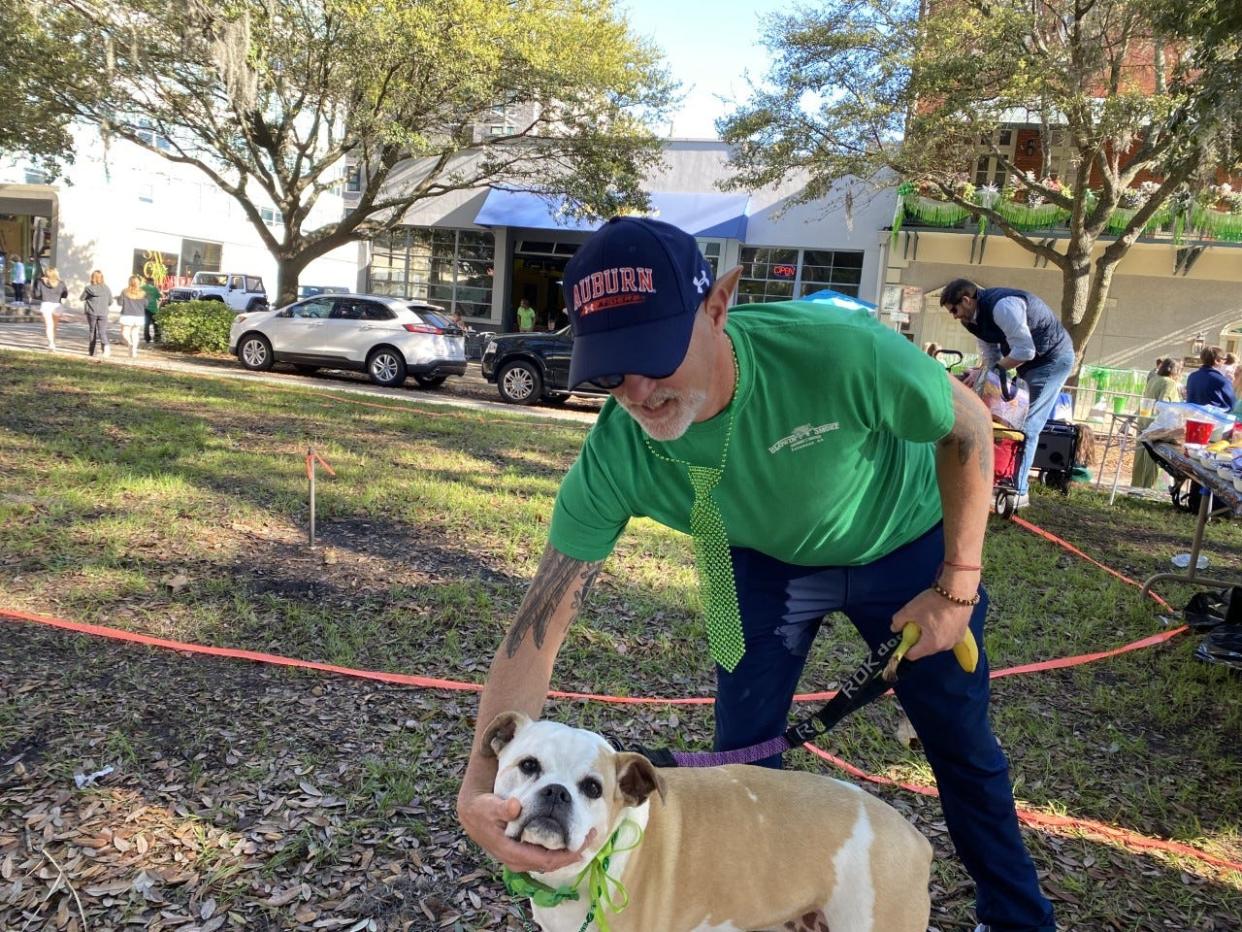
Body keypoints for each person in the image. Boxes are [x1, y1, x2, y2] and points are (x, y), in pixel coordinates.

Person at [457, 217, 1056, 932]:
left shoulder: (841, 350)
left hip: (906, 544)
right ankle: (770, 902)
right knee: (736, 759)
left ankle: (1019, 918)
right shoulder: (617, 451)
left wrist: (958, 583)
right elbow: (539, 625)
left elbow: (967, 426)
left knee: (958, 741)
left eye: (654, 353)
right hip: (757, 561)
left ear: (719, 307)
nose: (640, 391)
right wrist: (474, 786)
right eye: (611, 371)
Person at [941, 279, 1075, 510]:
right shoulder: (972, 320)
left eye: (954, 310)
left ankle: (1018, 491)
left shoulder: (1003, 306)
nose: (954, 316)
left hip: (1052, 359)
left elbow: (1025, 350)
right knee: (1001, 419)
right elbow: (992, 357)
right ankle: (995, 478)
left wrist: (994, 370)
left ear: (966, 300)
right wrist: (981, 374)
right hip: (1030, 363)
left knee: (1028, 425)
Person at [1131, 358, 1181, 488]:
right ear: (1175, 370)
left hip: (1144, 420)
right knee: (1154, 459)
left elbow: (1145, 400)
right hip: (1157, 425)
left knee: (1140, 458)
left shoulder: (1153, 379)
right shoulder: (1169, 383)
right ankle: (1149, 488)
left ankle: (1136, 487)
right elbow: (1163, 404)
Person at [1186, 346, 1236, 410]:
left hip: (1191, 415)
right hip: (1211, 418)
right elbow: (1232, 405)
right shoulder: (1222, 381)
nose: (1225, 362)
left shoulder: (1192, 376)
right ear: (1217, 361)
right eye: (1224, 359)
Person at [32, 266, 69, 351]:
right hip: (57, 305)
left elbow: (37, 294)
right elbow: (65, 295)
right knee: (54, 326)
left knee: (49, 325)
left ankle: (51, 344)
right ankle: (53, 342)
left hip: (46, 304)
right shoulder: (61, 283)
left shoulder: (40, 282)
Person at [80, 270, 112, 358]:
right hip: (103, 312)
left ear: (92, 278)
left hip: (92, 312)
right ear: (102, 278)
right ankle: (106, 348)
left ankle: (92, 351)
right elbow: (110, 301)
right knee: (102, 332)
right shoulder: (106, 288)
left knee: (92, 331)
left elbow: (82, 298)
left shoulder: (88, 288)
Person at [116, 276, 148, 358]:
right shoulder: (143, 293)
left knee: (124, 333)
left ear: (129, 282)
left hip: (127, 315)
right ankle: (134, 351)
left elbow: (120, 303)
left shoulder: (124, 292)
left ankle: (130, 344)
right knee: (135, 333)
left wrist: (117, 298)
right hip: (139, 316)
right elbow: (146, 304)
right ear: (139, 283)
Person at [141, 276, 162, 343]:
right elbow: (159, 297)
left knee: (146, 324)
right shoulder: (154, 289)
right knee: (156, 324)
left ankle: (147, 338)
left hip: (145, 308)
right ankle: (157, 337)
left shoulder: (142, 288)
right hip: (153, 309)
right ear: (152, 282)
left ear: (146, 281)